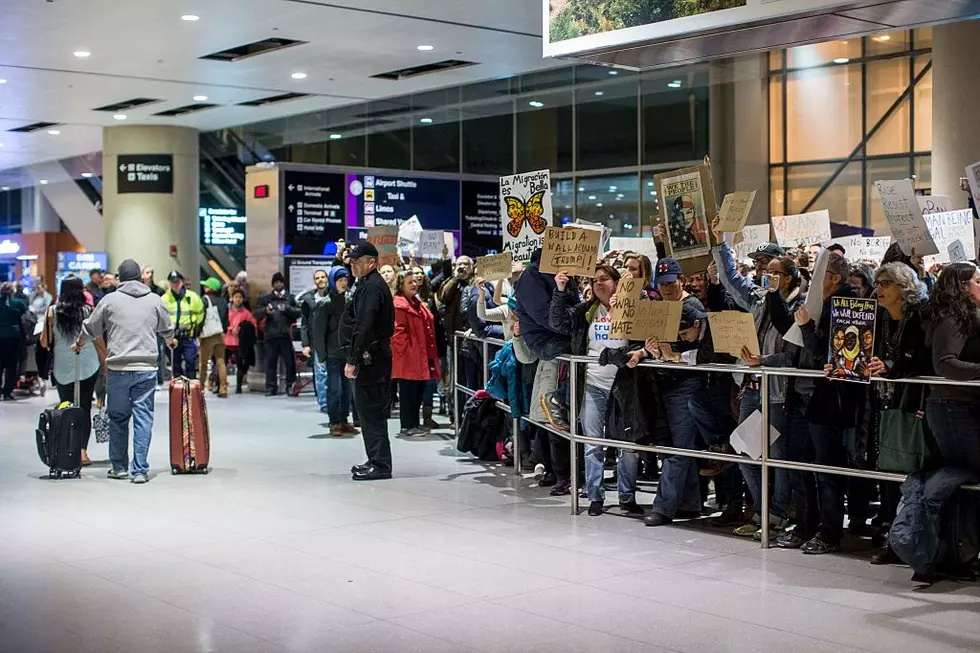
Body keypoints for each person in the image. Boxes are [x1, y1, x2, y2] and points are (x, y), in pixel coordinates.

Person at [549, 264, 648, 516]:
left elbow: (644, 339)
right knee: (592, 442)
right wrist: (560, 290)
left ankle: (627, 496)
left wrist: (627, 300)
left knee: (628, 444)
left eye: (604, 279)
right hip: (592, 383)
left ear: (616, 282)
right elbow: (557, 322)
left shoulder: (632, 307)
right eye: (594, 281)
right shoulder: (587, 311)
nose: (599, 284)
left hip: (624, 384)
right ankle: (595, 496)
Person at [74, 259, 174, 484]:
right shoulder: (154, 300)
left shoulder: (110, 300)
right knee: (143, 418)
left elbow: (91, 327)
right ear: (140, 277)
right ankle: (139, 470)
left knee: (118, 417)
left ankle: (119, 467)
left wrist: (80, 343)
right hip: (146, 369)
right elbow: (167, 328)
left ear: (119, 277)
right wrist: (170, 340)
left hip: (118, 369)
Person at [792, 252, 862, 554]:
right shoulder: (833, 304)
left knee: (827, 470)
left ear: (834, 277)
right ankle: (815, 524)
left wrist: (807, 327)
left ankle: (828, 531)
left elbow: (827, 353)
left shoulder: (844, 306)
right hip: (827, 399)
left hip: (835, 400)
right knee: (814, 465)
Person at [865, 262, 932, 564]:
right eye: (877, 283)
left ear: (902, 286)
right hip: (885, 401)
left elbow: (922, 358)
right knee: (888, 469)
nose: (878, 289)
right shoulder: (880, 318)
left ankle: (910, 538)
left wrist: (892, 368)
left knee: (910, 470)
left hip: (914, 405)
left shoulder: (920, 316)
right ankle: (893, 537)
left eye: (885, 283)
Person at [645, 257, 709, 526]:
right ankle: (689, 502)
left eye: (670, 283)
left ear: (680, 280)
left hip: (686, 383)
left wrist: (675, 353)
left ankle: (664, 507)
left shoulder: (691, 307)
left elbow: (703, 342)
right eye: (662, 284)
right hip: (668, 382)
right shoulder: (662, 307)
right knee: (681, 447)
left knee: (678, 448)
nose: (666, 288)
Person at [342, 243, 395, 481]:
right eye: (351, 261)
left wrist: (353, 359)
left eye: (357, 260)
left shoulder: (373, 287)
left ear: (371, 262)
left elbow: (365, 325)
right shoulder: (366, 284)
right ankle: (376, 459)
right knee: (367, 411)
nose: (352, 265)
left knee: (371, 411)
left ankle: (380, 464)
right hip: (371, 356)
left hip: (372, 358)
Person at [40, 276, 105, 466]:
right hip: (87, 363)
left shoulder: (52, 312)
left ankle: (67, 449)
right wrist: (105, 360)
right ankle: (82, 452)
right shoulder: (88, 311)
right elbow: (97, 339)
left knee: (65, 406)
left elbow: (44, 341)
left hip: (63, 366)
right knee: (84, 407)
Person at [926, 262, 980, 476]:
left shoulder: (965, 313)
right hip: (954, 407)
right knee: (968, 473)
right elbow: (944, 363)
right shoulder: (952, 316)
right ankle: (922, 496)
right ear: (963, 287)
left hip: (963, 404)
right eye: (978, 282)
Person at [391, 270, 441, 436]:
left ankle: (414, 423)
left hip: (421, 354)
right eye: (409, 282)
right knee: (408, 392)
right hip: (408, 356)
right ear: (401, 286)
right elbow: (398, 332)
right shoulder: (399, 305)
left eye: (415, 281)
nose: (414, 284)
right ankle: (407, 426)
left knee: (418, 390)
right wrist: (407, 352)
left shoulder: (415, 302)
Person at [254, 272, 301, 396]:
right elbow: (256, 314)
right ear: (272, 284)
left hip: (286, 336)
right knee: (270, 363)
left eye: (280, 282)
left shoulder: (290, 298)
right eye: (275, 282)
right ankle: (271, 387)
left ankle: (291, 386)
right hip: (270, 336)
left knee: (289, 363)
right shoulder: (266, 299)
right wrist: (265, 311)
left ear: (283, 283)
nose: (278, 284)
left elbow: (298, 312)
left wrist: (287, 309)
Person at [324, 266, 357, 435]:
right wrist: (321, 354)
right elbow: (319, 330)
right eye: (340, 280)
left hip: (348, 353)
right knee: (334, 388)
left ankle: (344, 420)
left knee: (346, 390)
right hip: (332, 353)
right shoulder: (326, 303)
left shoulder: (351, 299)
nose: (344, 283)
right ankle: (334, 422)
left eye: (346, 280)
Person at [299, 269, 332, 413]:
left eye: (323, 277)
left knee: (335, 373)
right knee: (321, 374)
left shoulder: (334, 296)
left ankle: (338, 401)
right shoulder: (308, 301)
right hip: (316, 342)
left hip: (333, 340)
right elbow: (304, 324)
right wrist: (305, 344)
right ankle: (324, 402)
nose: (320, 280)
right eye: (317, 278)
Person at [161, 271, 204, 379]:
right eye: (172, 282)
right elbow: (161, 317)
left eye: (177, 282)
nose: (175, 284)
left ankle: (191, 389)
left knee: (190, 362)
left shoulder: (192, 297)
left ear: (182, 282)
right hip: (172, 337)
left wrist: (196, 331)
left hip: (188, 336)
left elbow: (200, 315)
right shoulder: (164, 299)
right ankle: (178, 391)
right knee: (175, 365)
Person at [198, 277, 229, 397]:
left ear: (210, 288)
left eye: (206, 286)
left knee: (203, 363)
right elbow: (226, 319)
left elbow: (201, 318)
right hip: (220, 334)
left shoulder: (205, 300)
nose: (204, 287)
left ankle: (200, 388)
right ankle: (223, 388)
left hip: (208, 335)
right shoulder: (223, 301)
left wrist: (197, 332)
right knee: (221, 361)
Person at [224, 288, 258, 394]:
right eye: (236, 297)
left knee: (240, 364)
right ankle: (219, 384)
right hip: (227, 341)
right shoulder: (227, 311)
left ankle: (238, 386)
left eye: (240, 297)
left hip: (240, 343)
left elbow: (253, 325)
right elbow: (223, 323)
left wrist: (242, 328)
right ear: (232, 298)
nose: (238, 299)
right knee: (221, 363)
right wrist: (230, 329)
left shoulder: (246, 313)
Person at [0, 282, 27, 400]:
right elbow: (25, 318)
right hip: (14, 338)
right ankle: (7, 392)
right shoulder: (18, 304)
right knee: (11, 366)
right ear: (13, 291)